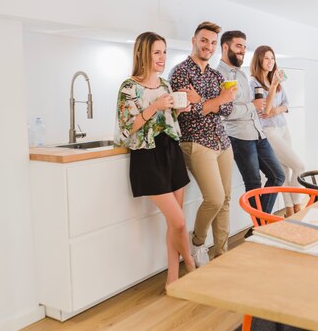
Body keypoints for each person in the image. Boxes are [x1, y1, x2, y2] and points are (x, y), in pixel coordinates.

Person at [115, 31, 194, 286]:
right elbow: (128, 128)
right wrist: (155, 107)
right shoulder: (129, 87)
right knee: (179, 222)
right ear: (143, 54)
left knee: (175, 222)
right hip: (147, 156)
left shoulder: (165, 85)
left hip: (171, 150)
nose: (162, 58)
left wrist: (180, 110)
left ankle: (172, 276)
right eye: (156, 52)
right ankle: (191, 265)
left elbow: (169, 120)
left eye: (164, 52)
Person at [169, 21, 237, 266]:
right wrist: (216, 100)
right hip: (196, 142)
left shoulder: (217, 74)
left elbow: (227, 108)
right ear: (194, 41)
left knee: (226, 200)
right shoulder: (180, 72)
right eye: (204, 40)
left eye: (212, 43)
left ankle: (222, 254)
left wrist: (205, 102)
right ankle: (197, 242)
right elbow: (186, 112)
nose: (208, 46)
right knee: (215, 199)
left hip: (222, 141)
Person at [217, 31, 285, 218]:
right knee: (253, 183)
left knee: (278, 175)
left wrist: (257, 106)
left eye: (244, 47)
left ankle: (261, 223)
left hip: (257, 133)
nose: (242, 50)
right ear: (225, 47)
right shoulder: (219, 75)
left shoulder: (240, 73)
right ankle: (261, 226)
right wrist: (252, 106)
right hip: (240, 137)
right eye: (238, 46)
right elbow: (226, 112)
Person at [250, 45, 305, 217]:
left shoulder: (276, 80)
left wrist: (276, 109)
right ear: (259, 60)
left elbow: (286, 105)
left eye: (272, 58)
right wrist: (273, 88)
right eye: (266, 58)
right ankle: (296, 205)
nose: (270, 61)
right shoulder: (254, 82)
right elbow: (264, 111)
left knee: (287, 170)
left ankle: (289, 209)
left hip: (283, 127)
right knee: (299, 166)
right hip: (270, 131)